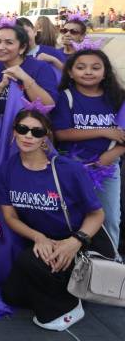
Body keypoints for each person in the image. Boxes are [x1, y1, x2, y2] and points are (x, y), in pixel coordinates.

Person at [0, 108, 114, 331]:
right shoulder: (7, 170)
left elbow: (97, 214)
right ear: (14, 132)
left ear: (46, 137)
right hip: (44, 242)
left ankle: (70, 306)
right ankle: (68, 285)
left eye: (36, 131)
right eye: (22, 129)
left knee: (27, 260)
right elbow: (9, 216)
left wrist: (74, 242)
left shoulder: (68, 169)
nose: (28, 136)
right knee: (12, 295)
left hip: (82, 240)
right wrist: (38, 237)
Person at [52, 48, 125, 249]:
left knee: (109, 217)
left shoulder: (117, 97)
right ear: (70, 72)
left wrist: (112, 154)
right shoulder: (65, 96)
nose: (88, 72)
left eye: (95, 67)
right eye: (81, 67)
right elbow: (61, 133)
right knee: (73, 215)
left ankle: (111, 260)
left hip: (107, 168)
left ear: (105, 72)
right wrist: (103, 131)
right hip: (72, 166)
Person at [0, 22, 58, 122]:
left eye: (9, 43)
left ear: (22, 48)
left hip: (28, 133)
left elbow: (48, 105)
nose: (0, 47)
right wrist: (1, 85)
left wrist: (26, 78)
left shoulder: (40, 67)